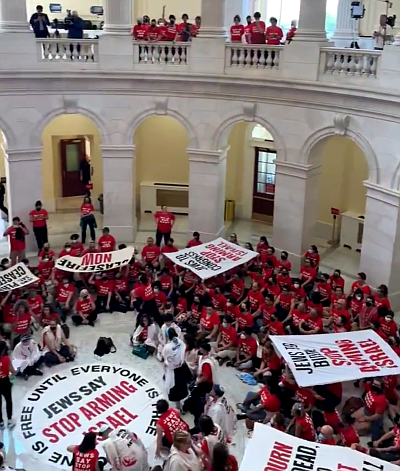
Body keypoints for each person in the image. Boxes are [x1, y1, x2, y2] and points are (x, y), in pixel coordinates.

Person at [163, 328, 191, 411]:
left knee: (173, 387)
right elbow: (184, 348)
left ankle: (178, 406)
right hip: (181, 367)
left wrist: (169, 364)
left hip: (173, 370)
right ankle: (180, 404)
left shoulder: (167, 347)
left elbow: (166, 358)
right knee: (181, 385)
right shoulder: (180, 341)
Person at [0, 341, 15, 429]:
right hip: (5, 382)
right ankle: (9, 420)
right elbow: (12, 371)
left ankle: (1, 422)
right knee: (8, 401)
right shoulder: (6, 359)